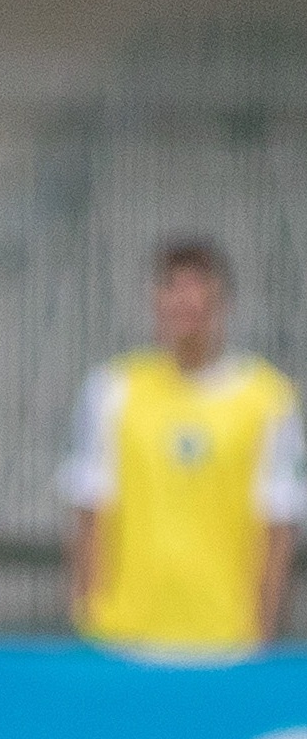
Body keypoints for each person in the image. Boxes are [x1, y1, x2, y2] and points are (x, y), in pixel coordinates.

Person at [62, 237, 303, 659]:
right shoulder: (113, 390)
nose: (186, 305)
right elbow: (89, 510)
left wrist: (261, 629)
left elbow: (278, 524)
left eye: (199, 293)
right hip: (124, 635)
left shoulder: (268, 399)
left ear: (222, 302)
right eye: (173, 290)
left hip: (225, 639)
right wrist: (88, 616)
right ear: (156, 300)